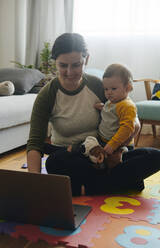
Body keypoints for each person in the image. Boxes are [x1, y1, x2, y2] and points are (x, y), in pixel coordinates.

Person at [27, 32, 160, 196]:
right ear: (55, 63)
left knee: (154, 156)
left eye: (76, 65)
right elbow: (34, 143)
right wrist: (34, 184)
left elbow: (128, 117)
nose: (69, 72)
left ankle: (86, 187)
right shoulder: (47, 95)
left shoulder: (99, 86)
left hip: (106, 152)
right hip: (73, 158)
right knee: (54, 163)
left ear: (86, 59)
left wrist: (118, 148)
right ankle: (120, 181)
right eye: (63, 65)